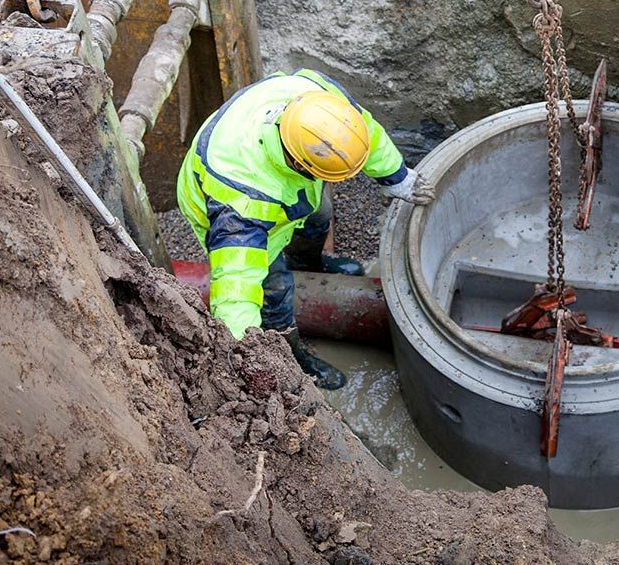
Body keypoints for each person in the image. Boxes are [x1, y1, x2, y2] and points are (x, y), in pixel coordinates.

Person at [177, 68, 434, 388]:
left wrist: (397, 178)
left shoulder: (320, 102)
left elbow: (365, 132)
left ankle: (307, 264)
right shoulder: (242, 212)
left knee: (318, 214)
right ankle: (293, 354)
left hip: (274, 177)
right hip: (218, 195)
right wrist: (243, 358)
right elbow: (236, 290)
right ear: (300, 165)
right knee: (275, 289)